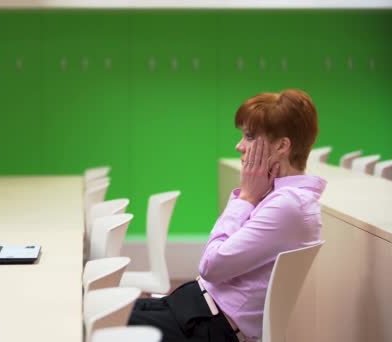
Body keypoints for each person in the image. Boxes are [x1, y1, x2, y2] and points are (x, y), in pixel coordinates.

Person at [128, 89, 327, 342]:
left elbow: (211, 266)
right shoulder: (278, 197)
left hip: (207, 326)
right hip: (196, 309)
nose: (239, 146)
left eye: (250, 136)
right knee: (99, 312)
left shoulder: (288, 206)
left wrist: (245, 198)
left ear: (281, 146)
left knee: (96, 322)